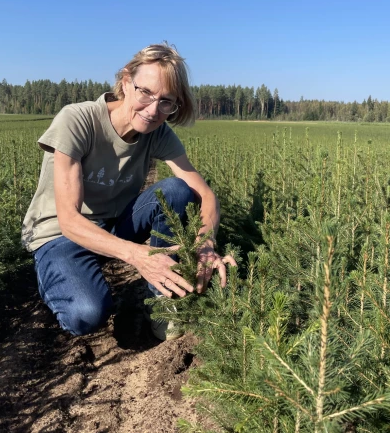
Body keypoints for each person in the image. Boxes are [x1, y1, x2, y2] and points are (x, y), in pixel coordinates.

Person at [21, 43, 236, 340]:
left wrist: (205, 243)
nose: (152, 110)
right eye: (145, 92)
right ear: (125, 82)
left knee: (176, 190)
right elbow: (69, 220)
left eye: (166, 102)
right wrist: (140, 256)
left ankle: (161, 302)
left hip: (114, 225)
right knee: (86, 314)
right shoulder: (78, 120)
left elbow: (206, 195)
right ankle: (57, 280)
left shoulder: (157, 133)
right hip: (59, 236)